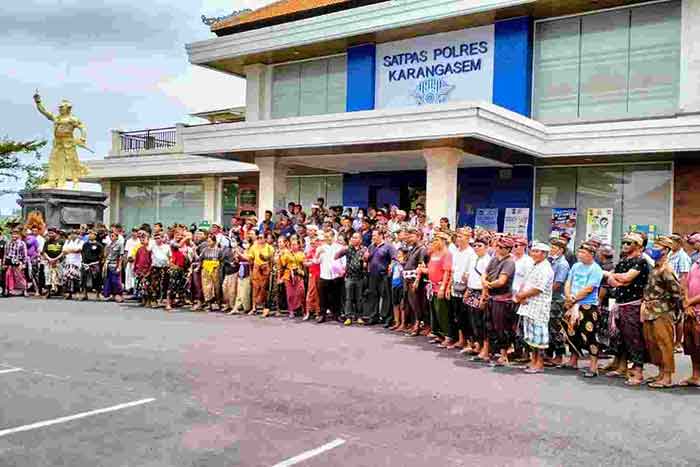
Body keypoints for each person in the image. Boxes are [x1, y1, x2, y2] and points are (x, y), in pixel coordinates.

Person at [602, 233, 650, 384]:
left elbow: (627, 279)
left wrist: (615, 276)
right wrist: (616, 277)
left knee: (634, 339)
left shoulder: (641, 261)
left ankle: (638, 372)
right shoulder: (623, 261)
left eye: (629, 243)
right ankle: (621, 367)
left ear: (638, 246)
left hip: (633, 304)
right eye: (624, 242)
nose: (625, 245)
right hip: (619, 302)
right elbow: (614, 282)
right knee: (620, 338)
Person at [641, 236, 682, 388]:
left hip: (662, 312)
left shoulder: (666, 270)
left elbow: (677, 293)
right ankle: (660, 372)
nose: (654, 248)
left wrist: (671, 309)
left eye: (658, 246)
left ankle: (667, 377)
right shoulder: (655, 267)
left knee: (665, 344)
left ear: (666, 250)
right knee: (653, 344)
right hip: (650, 311)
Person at [563, 242, 604, 378]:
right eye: (579, 252)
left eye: (583, 253)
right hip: (572, 302)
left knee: (589, 335)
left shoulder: (595, 269)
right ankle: (573, 360)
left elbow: (589, 289)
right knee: (571, 332)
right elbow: (569, 281)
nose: (580, 255)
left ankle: (593, 366)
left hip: (587, 306)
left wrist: (574, 299)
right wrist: (569, 296)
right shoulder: (576, 266)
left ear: (591, 254)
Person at [515, 242, 554, 374]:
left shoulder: (546, 268)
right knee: (530, 335)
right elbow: (526, 282)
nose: (534, 254)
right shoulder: (533, 265)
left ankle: (540, 363)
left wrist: (522, 295)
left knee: (539, 336)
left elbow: (538, 289)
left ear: (544, 254)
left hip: (539, 306)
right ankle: (533, 360)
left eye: (538, 252)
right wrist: (521, 295)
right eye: (533, 251)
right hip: (528, 304)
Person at [479, 236, 516, 366]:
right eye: (498, 246)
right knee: (488, 325)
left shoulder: (509, 262)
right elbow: (485, 272)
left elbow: (502, 281)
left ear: (508, 249)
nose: (498, 249)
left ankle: (504, 354)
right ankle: (488, 351)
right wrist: (484, 281)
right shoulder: (494, 259)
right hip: (491, 296)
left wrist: (488, 285)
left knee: (502, 327)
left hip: (502, 298)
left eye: (502, 247)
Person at [421, 232, 453, 347]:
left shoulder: (447, 254)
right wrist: (422, 270)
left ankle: (448, 336)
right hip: (432, 286)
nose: (434, 242)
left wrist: (443, 287)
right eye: (434, 240)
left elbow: (446, 272)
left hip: (440, 286)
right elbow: (430, 269)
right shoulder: (434, 253)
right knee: (435, 312)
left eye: (437, 240)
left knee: (443, 312)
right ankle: (439, 334)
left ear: (443, 241)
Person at [463, 235, 492, 357]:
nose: (476, 248)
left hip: (481, 293)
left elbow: (486, 282)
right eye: (475, 245)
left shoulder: (487, 260)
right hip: (472, 291)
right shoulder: (474, 258)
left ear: (486, 247)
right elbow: (471, 278)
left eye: (480, 246)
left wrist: (483, 298)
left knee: (482, 322)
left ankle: (485, 349)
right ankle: (477, 345)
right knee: (473, 321)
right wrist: (467, 292)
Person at [545, 238, 570, 366]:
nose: (551, 250)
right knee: (548, 327)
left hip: (556, 299)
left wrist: (545, 292)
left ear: (561, 250)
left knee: (555, 328)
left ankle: (559, 356)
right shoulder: (552, 261)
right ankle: (549, 354)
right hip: (549, 298)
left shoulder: (562, 264)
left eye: (554, 248)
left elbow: (558, 283)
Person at [364, 229, 396, 326]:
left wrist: (391, 265)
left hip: (384, 275)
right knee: (373, 296)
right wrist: (365, 258)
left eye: (375, 235)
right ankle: (374, 316)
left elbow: (394, 258)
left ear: (381, 235)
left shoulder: (388, 246)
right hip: (373, 275)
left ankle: (387, 318)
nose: (373, 237)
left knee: (386, 296)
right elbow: (367, 259)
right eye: (372, 236)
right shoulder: (371, 246)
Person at [335, 232, 367, 326]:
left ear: (360, 240)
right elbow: (336, 257)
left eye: (355, 238)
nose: (353, 239)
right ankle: (348, 317)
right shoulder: (348, 248)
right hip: (349, 277)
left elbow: (367, 258)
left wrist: (365, 258)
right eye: (352, 237)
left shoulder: (364, 249)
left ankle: (359, 317)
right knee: (348, 298)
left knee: (359, 298)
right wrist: (342, 249)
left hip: (360, 277)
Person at [315, 230, 343, 323]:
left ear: (333, 237)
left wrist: (342, 271)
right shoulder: (321, 248)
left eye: (328, 236)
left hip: (336, 275)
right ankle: (322, 315)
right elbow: (316, 261)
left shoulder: (339, 247)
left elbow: (343, 261)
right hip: (324, 275)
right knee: (323, 297)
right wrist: (318, 253)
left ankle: (337, 315)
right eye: (325, 237)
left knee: (336, 296)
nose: (327, 238)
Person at [682, 244, 700, 387]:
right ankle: (695, 376)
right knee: (692, 345)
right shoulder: (695, 264)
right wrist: (687, 304)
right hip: (690, 311)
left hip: (696, 308)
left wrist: (689, 302)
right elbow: (686, 285)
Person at [280, 236, 306, 318]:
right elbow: (283, 264)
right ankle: (291, 310)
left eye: (295, 245)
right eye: (292, 245)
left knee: (301, 293)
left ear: (298, 245)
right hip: (288, 275)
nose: (293, 246)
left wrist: (301, 271)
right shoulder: (287, 254)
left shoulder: (302, 254)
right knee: (290, 294)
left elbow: (304, 265)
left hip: (298, 274)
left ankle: (303, 310)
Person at [248, 233, 275, 315]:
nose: (259, 239)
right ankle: (254, 307)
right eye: (258, 238)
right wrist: (251, 270)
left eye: (261, 238)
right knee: (255, 288)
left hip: (265, 269)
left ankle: (264, 307)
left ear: (265, 239)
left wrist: (269, 269)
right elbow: (251, 259)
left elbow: (271, 260)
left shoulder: (269, 248)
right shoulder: (254, 247)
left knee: (264, 288)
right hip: (256, 268)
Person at [198, 234, 223, 312]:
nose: (208, 243)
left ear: (214, 241)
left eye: (210, 241)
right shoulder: (205, 250)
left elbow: (221, 260)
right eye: (207, 241)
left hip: (215, 269)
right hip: (206, 269)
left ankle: (218, 303)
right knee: (207, 287)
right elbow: (200, 259)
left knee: (216, 286)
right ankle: (209, 304)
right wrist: (198, 267)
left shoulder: (219, 250)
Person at [165, 235, 189, 311]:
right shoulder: (172, 243)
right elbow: (170, 263)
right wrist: (186, 237)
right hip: (174, 270)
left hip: (181, 270)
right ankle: (168, 303)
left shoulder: (182, 251)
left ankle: (173, 301)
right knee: (171, 287)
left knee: (178, 287)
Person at [80, 230, 103, 301]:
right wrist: (84, 261)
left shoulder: (99, 245)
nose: (90, 235)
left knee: (97, 279)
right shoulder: (85, 244)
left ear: (95, 236)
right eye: (89, 234)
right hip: (86, 264)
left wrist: (98, 262)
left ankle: (98, 294)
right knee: (84, 279)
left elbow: (101, 254)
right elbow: (82, 253)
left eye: (92, 234)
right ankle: (85, 294)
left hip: (94, 264)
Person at [5, 229, 28, 297]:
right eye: (12, 234)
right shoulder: (8, 243)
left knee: (20, 276)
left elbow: (25, 254)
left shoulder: (22, 243)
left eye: (15, 234)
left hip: (18, 261)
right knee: (8, 275)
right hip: (9, 261)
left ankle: (24, 290)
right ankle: (8, 290)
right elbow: (6, 253)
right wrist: (4, 263)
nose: (14, 235)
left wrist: (24, 264)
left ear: (18, 235)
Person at [102, 231, 124, 302]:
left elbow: (121, 256)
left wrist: (120, 265)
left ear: (117, 237)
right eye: (110, 236)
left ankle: (118, 294)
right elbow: (106, 255)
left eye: (113, 236)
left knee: (116, 281)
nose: (111, 237)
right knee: (108, 281)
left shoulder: (120, 244)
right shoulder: (109, 245)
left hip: (115, 264)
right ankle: (110, 294)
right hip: (108, 264)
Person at [61, 229, 84, 299]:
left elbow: (78, 250)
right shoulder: (67, 241)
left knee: (76, 278)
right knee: (67, 278)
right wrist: (72, 250)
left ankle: (77, 293)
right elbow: (64, 250)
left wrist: (70, 250)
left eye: (75, 234)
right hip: (68, 262)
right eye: (72, 234)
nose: (73, 235)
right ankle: (69, 293)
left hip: (76, 262)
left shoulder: (80, 242)